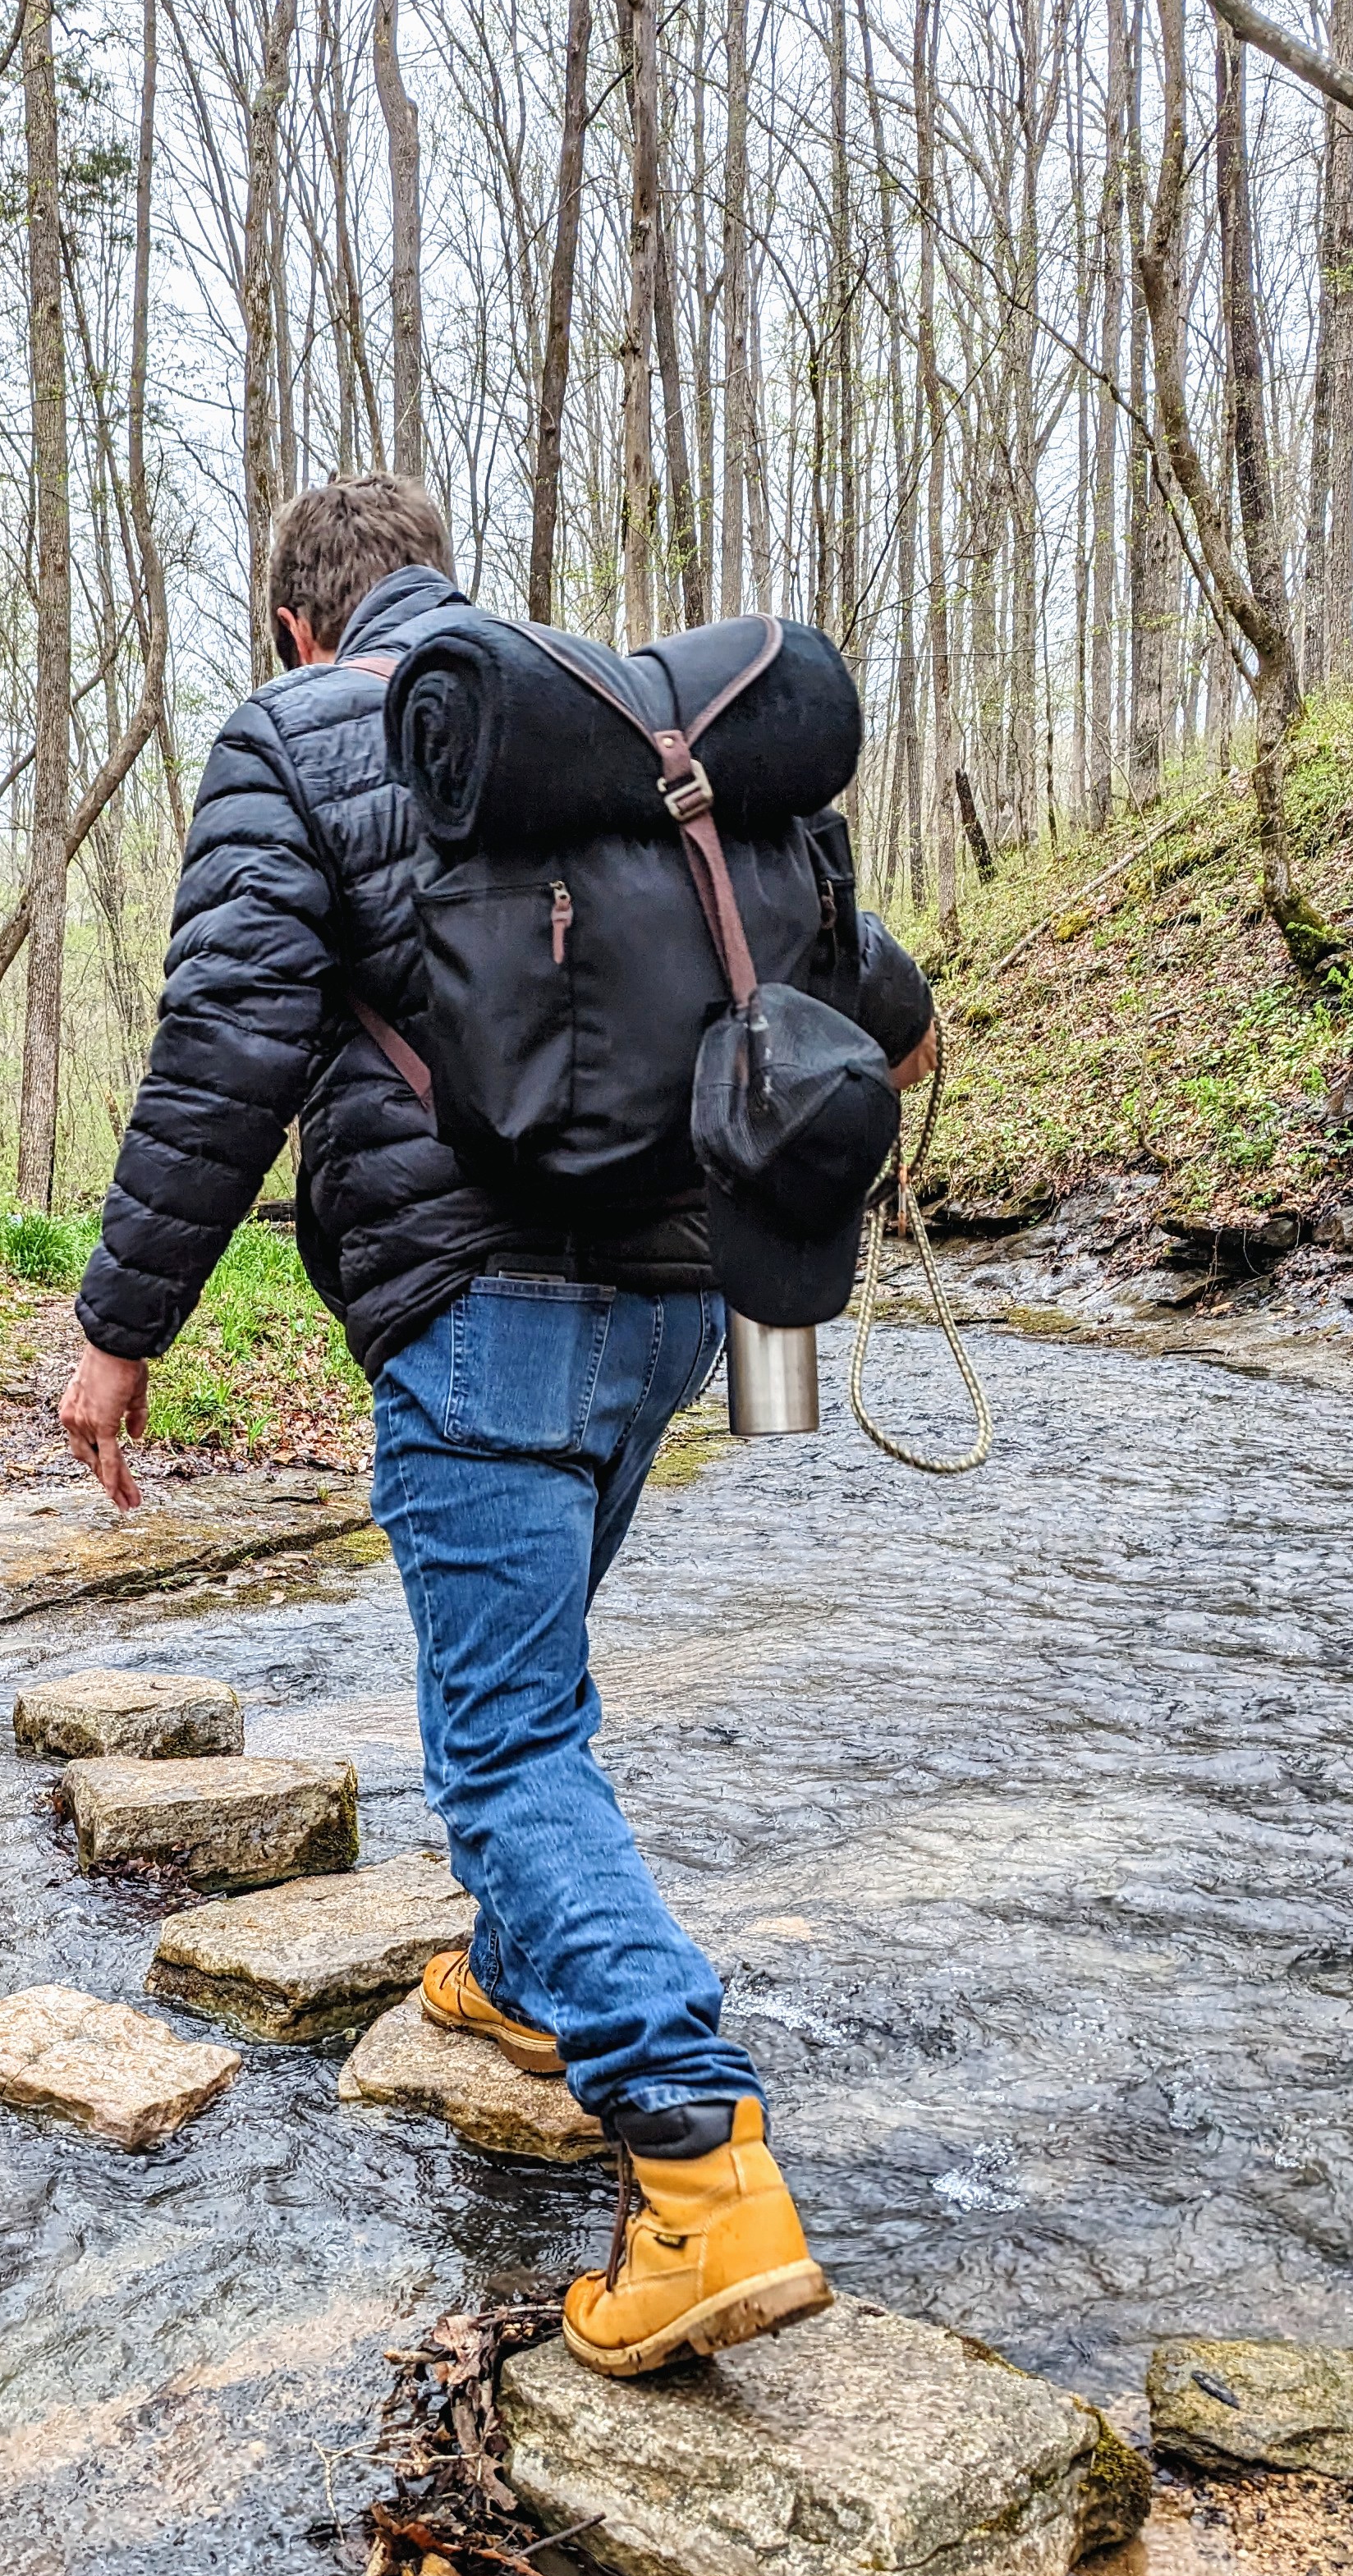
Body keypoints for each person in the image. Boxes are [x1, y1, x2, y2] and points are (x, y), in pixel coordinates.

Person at [57, 474, 935, 2377]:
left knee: (508, 1750)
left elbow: (228, 1036)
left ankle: (702, 2174)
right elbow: (872, 995)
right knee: (539, 1689)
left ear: (300, 625)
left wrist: (121, 1329)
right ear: (441, 584)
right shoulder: (622, 732)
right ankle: (532, 1979)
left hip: (482, 1324)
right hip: (680, 1310)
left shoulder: (302, 736)